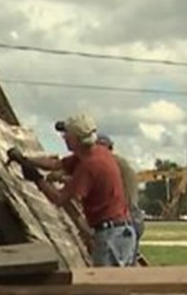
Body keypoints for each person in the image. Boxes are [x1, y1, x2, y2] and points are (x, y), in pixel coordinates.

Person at [18, 114, 137, 267]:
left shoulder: (90, 165)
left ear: (76, 139)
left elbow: (60, 199)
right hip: (119, 232)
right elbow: (56, 164)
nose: (63, 137)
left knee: (105, 287)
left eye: (66, 134)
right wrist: (25, 159)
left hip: (110, 236)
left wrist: (37, 179)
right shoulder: (95, 153)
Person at [96, 133, 145, 263]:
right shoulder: (121, 163)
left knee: (112, 274)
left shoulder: (108, 164)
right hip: (133, 219)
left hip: (123, 220)